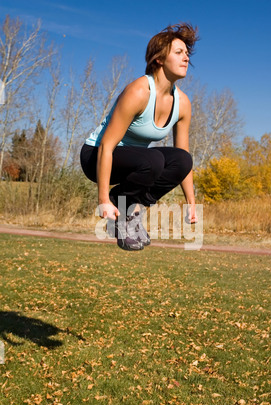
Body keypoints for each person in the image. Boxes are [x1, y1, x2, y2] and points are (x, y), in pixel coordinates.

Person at [80, 23, 199, 251]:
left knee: (183, 160)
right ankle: (118, 203)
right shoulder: (139, 91)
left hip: (133, 161)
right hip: (96, 156)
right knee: (153, 160)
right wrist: (103, 200)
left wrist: (191, 203)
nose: (186, 58)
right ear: (159, 59)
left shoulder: (182, 103)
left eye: (186, 53)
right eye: (178, 52)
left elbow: (183, 160)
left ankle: (132, 210)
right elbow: (107, 145)